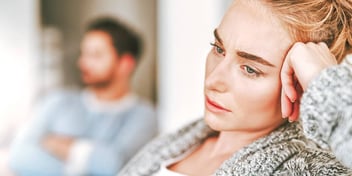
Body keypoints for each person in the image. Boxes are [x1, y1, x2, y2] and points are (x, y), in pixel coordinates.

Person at [118, 0, 352, 175]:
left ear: (300, 83)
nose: (213, 80)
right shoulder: (180, 142)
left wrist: (326, 83)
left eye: (250, 69)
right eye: (219, 49)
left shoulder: (305, 168)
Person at [9, 17, 158, 176]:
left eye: (96, 55)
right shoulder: (59, 101)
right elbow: (19, 156)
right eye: (84, 54)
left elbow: (116, 166)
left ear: (125, 64)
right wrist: (91, 162)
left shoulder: (144, 116)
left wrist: (62, 146)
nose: (83, 62)